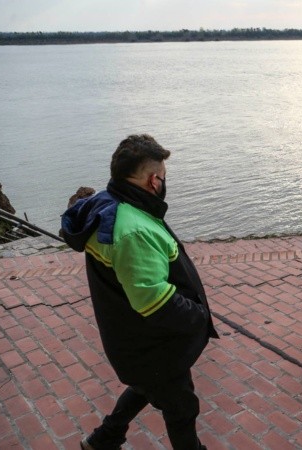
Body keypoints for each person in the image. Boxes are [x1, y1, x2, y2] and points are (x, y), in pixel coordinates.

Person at [61, 134, 218, 449]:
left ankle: (104, 438)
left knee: (147, 385)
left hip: (132, 339)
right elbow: (153, 302)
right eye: (163, 177)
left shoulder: (115, 204)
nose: (163, 183)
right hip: (149, 342)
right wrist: (198, 316)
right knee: (181, 407)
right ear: (153, 180)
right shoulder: (132, 229)